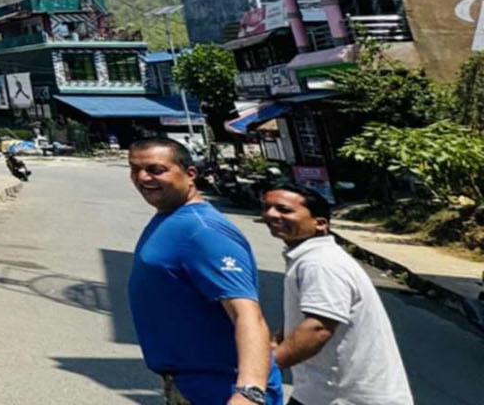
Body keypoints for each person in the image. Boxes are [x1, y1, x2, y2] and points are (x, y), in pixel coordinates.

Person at [126, 138, 282, 405]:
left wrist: (250, 391)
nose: (142, 178)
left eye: (156, 169)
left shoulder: (204, 231)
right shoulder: (169, 218)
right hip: (189, 386)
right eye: (135, 169)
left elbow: (246, 313)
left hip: (223, 390)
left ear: (190, 174)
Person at [260, 184, 413, 405]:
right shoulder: (311, 257)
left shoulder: (321, 263)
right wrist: (277, 341)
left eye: (284, 210)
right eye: (267, 207)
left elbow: (318, 328)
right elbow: (309, 315)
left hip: (348, 398)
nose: (271, 214)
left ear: (320, 223)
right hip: (320, 393)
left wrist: (261, 369)